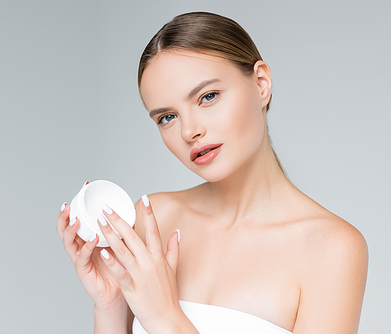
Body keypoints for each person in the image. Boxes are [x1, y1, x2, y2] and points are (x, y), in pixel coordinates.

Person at [57, 12, 368, 334]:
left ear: (261, 83)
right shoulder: (153, 220)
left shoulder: (331, 248)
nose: (190, 131)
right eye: (167, 117)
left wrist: (164, 319)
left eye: (208, 97)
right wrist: (110, 305)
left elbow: (163, 321)